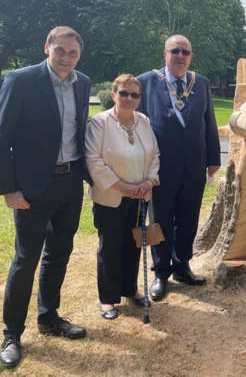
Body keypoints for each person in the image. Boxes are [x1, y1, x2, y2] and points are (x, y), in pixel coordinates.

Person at [0, 26, 91, 369]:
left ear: (79, 55)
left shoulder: (82, 82)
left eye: (72, 53)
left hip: (70, 182)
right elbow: (0, 138)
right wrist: (9, 188)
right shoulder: (20, 79)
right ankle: (11, 333)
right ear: (47, 46)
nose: (66, 58)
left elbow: (80, 133)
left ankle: (49, 318)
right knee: (26, 259)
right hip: (32, 188)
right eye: (60, 50)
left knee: (59, 253)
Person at [137, 35, 220, 301]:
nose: (180, 56)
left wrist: (213, 159)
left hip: (194, 166)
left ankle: (182, 266)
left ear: (191, 56)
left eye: (185, 52)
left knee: (188, 219)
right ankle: (160, 271)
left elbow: (209, 121)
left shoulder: (201, 82)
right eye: (175, 51)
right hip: (159, 168)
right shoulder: (146, 82)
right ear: (165, 54)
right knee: (159, 220)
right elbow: (136, 125)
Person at [85, 74, 160, 320]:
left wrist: (149, 181)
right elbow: (93, 161)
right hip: (111, 198)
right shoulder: (100, 122)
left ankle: (130, 289)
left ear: (139, 98)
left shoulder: (144, 121)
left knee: (133, 244)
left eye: (134, 94)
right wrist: (124, 187)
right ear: (114, 94)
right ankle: (107, 300)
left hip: (139, 197)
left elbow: (155, 155)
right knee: (110, 248)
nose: (129, 98)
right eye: (124, 93)